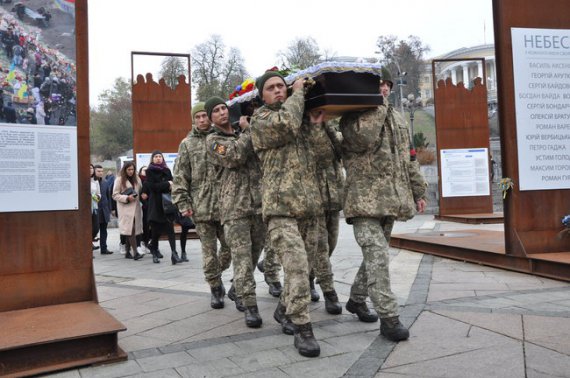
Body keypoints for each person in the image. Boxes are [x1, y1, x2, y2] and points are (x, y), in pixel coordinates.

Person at [339, 67, 427, 342]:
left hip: (391, 200)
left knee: (374, 258)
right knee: (378, 256)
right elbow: (361, 140)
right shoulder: (352, 116)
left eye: (387, 84)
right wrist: (377, 107)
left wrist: (418, 190)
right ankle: (389, 319)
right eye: (378, 85)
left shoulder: (398, 118)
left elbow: (408, 157)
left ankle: (355, 299)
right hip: (363, 201)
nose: (384, 89)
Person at [250, 71, 323, 357]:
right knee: (295, 267)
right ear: (262, 96)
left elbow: (324, 156)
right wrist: (298, 92)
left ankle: (284, 309)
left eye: (282, 86)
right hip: (280, 209)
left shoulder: (300, 118)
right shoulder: (262, 120)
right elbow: (287, 124)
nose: (279, 91)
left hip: (308, 207)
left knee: (307, 269)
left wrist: (316, 126)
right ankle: (304, 329)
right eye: (272, 88)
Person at [205, 96, 265, 328]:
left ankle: (238, 288)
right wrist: (249, 131)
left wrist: (251, 129)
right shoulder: (213, 140)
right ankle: (250, 305)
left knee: (252, 256)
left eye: (223, 108)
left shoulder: (243, 134)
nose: (221, 112)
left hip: (258, 204)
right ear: (211, 118)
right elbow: (235, 155)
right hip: (234, 208)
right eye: (216, 111)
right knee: (241, 257)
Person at [172, 102, 232, 309]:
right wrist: (183, 203)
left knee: (230, 247)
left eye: (204, 115)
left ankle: (217, 274)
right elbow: (180, 176)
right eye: (197, 117)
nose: (202, 120)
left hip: (227, 204)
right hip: (201, 207)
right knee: (209, 252)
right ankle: (215, 288)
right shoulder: (187, 144)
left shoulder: (222, 138)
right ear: (193, 120)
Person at [142, 151, 183, 265]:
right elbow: (153, 187)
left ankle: (174, 254)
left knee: (170, 230)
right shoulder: (149, 171)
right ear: (152, 159)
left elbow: (172, 185)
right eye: (156, 157)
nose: (158, 158)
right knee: (156, 232)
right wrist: (167, 184)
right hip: (155, 205)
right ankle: (154, 252)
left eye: (160, 157)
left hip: (167, 204)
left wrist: (169, 185)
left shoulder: (167, 170)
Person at [112, 161, 144, 260]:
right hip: (125, 209)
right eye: (128, 169)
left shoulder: (137, 179)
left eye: (132, 169)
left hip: (136, 208)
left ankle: (127, 252)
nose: (131, 171)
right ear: (124, 170)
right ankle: (135, 252)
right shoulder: (119, 179)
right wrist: (126, 197)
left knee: (131, 229)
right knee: (130, 229)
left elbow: (141, 191)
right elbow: (115, 195)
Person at [94, 165, 114, 255]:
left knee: (104, 230)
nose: (100, 173)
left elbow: (108, 196)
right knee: (94, 229)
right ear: (94, 171)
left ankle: (104, 248)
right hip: (94, 210)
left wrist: (110, 209)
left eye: (102, 171)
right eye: (98, 171)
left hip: (104, 209)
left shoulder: (105, 182)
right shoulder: (91, 182)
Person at [90, 164, 101, 252]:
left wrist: (97, 196)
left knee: (96, 227)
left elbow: (99, 193)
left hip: (94, 205)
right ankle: (89, 244)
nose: (90, 170)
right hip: (85, 208)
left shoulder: (95, 181)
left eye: (91, 168)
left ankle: (90, 241)